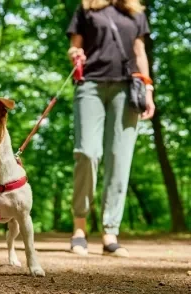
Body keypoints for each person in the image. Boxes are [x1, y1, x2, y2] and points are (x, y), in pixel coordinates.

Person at [67, 0, 155, 257]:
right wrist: (75, 54)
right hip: (90, 85)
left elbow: (140, 53)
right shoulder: (87, 8)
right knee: (87, 152)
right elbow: (74, 47)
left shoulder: (135, 12)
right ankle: (79, 228)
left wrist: (148, 89)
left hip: (127, 88)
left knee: (119, 158)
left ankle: (110, 232)